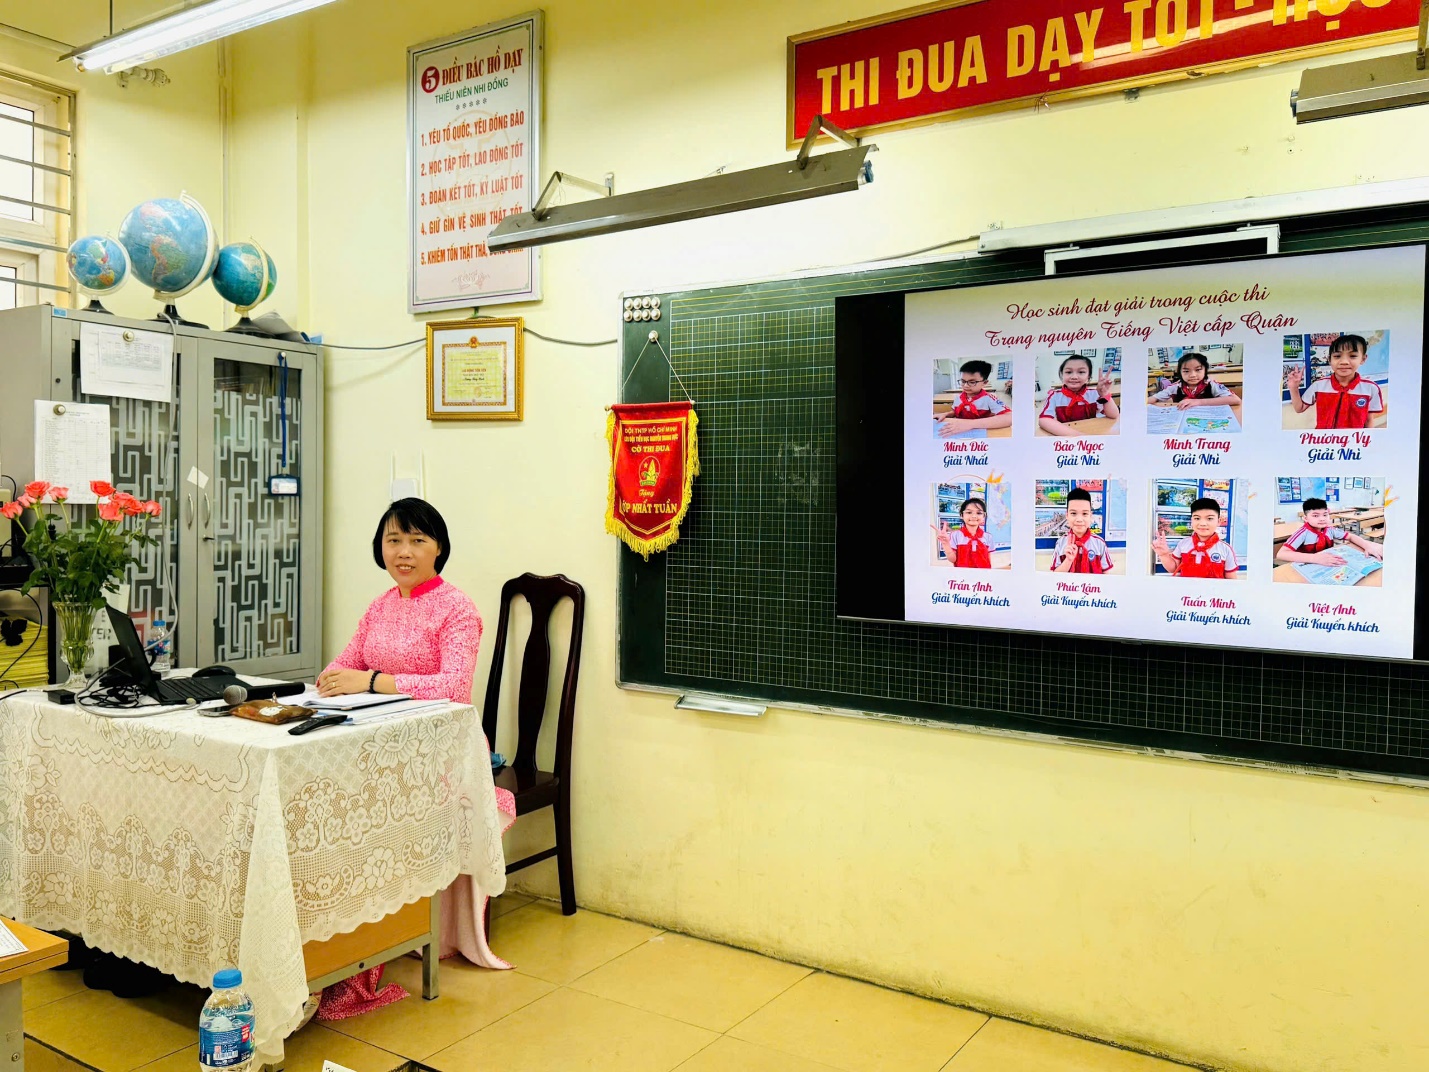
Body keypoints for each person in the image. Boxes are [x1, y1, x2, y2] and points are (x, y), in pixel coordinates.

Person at [313, 497, 514, 1020]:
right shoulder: (381, 605)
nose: (404, 552)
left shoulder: (457, 609)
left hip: (440, 758)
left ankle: (363, 949)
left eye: (417, 541)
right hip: (378, 749)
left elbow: (454, 688)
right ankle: (326, 942)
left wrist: (373, 682)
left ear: (439, 548)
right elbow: (345, 662)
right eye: (393, 540)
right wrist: (331, 679)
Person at [1285, 335, 1385, 429]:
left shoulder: (1371, 388)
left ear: (1363, 359)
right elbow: (1300, 408)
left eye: (1353, 356)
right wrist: (1293, 387)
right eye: (1337, 356)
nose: (1344, 362)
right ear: (1329, 359)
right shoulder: (1319, 386)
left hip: (1354, 443)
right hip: (1323, 441)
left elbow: (1369, 420)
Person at [1277, 496, 1385, 566]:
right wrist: (1314, 558)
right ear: (1305, 518)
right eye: (1315, 515)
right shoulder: (1302, 533)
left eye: (1325, 514)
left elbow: (1351, 536)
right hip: (1309, 564)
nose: (1322, 518)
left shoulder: (1329, 529)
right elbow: (1281, 554)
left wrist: (1367, 546)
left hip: (1328, 563)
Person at [1153, 497, 1239, 578]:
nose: (1202, 523)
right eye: (1197, 518)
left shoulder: (1226, 549)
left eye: (1209, 519)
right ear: (1191, 521)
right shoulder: (1183, 544)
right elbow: (1173, 569)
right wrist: (1163, 555)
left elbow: (1231, 581)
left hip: (1213, 593)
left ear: (1219, 521)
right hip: (1187, 593)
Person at [1039, 354, 1119, 436]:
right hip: (1066, 435)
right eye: (1068, 372)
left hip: (1092, 431)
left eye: (1081, 372)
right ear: (1062, 375)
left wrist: (1104, 394)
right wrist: (1079, 436)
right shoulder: (1054, 396)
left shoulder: (1094, 394)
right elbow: (1044, 419)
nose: (1074, 377)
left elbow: (1113, 415)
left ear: (1088, 377)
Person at [937, 360, 1012, 436]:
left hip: (981, 433)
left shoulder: (989, 398)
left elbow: (1010, 417)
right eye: (963, 381)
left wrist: (970, 424)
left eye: (972, 382)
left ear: (984, 383)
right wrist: (946, 414)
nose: (965, 385)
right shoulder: (958, 397)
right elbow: (955, 413)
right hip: (959, 431)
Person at [1051, 488, 1114, 573]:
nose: (1079, 519)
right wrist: (1068, 560)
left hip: (1092, 586)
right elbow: (1055, 576)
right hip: (1070, 586)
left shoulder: (1099, 543)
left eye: (1084, 514)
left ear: (1090, 515)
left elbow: (1106, 575)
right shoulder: (1061, 543)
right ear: (1067, 515)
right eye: (1073, 513)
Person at [1150, 352, 1241, 408]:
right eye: (1186, 371)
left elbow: (1236, 400)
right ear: (1180, 372)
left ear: (1205, 370)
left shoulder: (1211, 385)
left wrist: (1198, 402)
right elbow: (1153, 398)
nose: (1193, 375)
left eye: (1198, 370)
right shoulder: (1176, 386)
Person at [932, 497, 992, 567]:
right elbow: (953, 560)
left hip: (983, 576)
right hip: (962, 576)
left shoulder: (988, 537)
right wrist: (946, 545)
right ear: (961, 515)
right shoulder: (955, 535)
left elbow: (988, 559)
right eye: (969, 512)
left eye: (979, 513)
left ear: (984, 516)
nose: (974, 516)